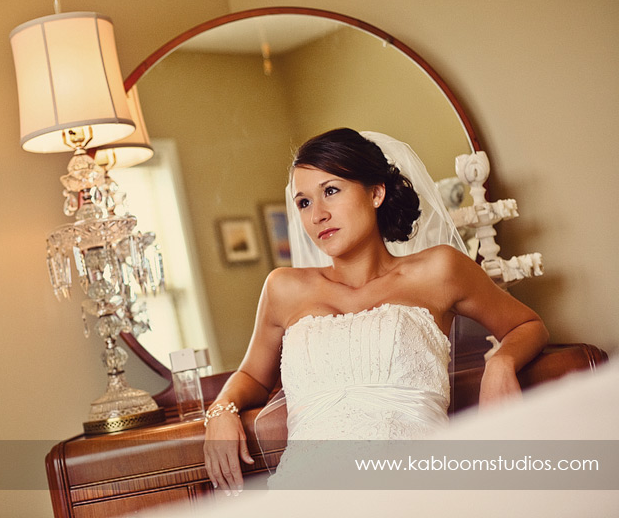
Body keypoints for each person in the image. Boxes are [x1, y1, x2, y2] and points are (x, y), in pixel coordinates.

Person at [202, 128, 548, 494]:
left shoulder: (440, 270)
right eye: (303, 202)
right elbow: (253, 378)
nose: (317, 215)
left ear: (376, 193)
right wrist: (221, 410)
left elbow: (528, 324)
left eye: (330, 191)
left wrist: (501, 364)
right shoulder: (283, 288)